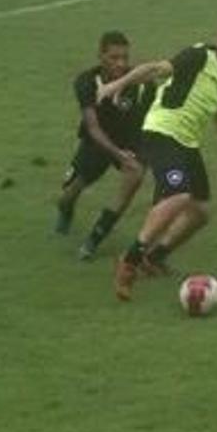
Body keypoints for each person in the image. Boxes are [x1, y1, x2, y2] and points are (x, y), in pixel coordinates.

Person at [96, 13, 217, 301]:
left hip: (187, 143)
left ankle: (154, 257)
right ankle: (129, 261)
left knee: (201, 211)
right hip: (162, 131)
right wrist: (115, 86)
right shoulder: (198, 56)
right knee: (178, 195)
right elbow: (156, 69)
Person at [56, 31, 155, 260]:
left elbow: (154, 117)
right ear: (100, 56)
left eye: (125, 58)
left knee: (135, 175)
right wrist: (118, 154)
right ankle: (66, 211)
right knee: (67, 196)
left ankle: (94, 240)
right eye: (114, 58)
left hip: (130, 141)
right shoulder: (86, 81)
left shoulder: (141, 84)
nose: (121, 64)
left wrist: (140, 150)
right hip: (97, 142)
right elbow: (92, 127)